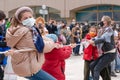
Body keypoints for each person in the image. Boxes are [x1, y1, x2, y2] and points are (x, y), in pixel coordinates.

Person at [5, 6, 57, 80]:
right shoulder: (25, 31)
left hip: (26, 65)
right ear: (20, 20)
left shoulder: (28, 29)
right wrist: (52, 41)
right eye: (25, 18)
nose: (29, 19)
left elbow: (40, 38)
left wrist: (49, 38)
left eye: (30, 17)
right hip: (29, 68)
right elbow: (42, 47)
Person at [89, 16, 116, 80]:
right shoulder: (101, 30)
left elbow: (103, 38)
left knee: (96, 69)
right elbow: (97, 37)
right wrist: (91, 40)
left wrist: (94, 42)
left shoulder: (109, 29)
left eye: (102, 20)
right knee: (92, 65)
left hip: (110, 53)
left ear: (105, 22)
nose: (100, 22)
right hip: (105, 53)